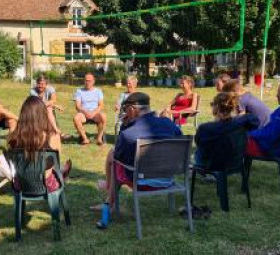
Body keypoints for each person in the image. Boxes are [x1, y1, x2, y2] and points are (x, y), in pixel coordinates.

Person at [93, 92, 182, 223]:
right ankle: (108, 194)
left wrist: (125, 126)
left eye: (125, 109)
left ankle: (109, 202)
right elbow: (179, 140)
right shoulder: (169, 124)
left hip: (142, 183)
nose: (124, 113)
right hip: (168, 180)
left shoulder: (129, 133)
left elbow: (118, 157)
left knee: (114, 158)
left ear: (132, 109)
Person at [8, 96, 71, 193]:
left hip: (20, 185)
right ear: (43, 114)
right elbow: (55, 163)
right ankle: (63, 173)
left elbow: (13, 163)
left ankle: (62, 172)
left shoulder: (13, 137)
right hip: (46, 185)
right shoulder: (53, 136)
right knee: (56, 169)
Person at [194, 92, 259, 169]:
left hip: (211, 164)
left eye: (212, 105)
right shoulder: (239, 124)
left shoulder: (205, 128)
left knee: (199, 152)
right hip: (235, 163)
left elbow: (199, 143)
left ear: (217, 107)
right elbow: (254, 119)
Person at [247, 83, 280, 158]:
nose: (277, 96)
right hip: (269, 145)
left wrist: (249, 134)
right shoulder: (279, 110)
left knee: (236, 140)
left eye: (279, 94)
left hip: (268, 148)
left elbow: (270, 134)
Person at [73, 73, 107, 145]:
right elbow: (78, 106)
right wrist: (85, 112)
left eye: (89, 81)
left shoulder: (98, 91)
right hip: (83, 113)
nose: (88, 82)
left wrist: (94, 112)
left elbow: (101, 105)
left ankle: (99, 138)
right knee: (76, 118)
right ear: (84, 81)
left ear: (93, 81)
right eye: (86, 80)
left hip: (95, 114)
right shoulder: (79, 91)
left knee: (103, 116)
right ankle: (85, 139)